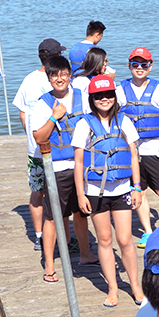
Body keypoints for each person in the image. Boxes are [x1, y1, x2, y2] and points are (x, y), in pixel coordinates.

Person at [72, 75, 144, 307]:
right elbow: (79, 163)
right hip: (95, 191)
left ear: (114, 97)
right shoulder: (84, 124)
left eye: (108, 95)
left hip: (122, 188)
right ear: (92, 99)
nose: (104, 99)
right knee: (104, 239)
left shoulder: (124, 121)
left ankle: (135, 286)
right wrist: (81, 194)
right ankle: (112, 288)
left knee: (125, 239)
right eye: (98, 96)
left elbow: (133, 156)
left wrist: (137, 187)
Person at [32, 56, 98, 283]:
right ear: (49, 78)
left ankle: (86, 254)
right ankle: (49, 265)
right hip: (58, 168)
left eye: (64, 74)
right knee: (52, 218)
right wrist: (54, 117)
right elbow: (39, 137)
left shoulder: (84, 97)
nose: (60, 79)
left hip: (82, 165)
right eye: (54, 75)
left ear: (70, 75)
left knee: (81, 212)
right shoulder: (42, 103)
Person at [118, 47, 159, 248]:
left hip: (154, 150)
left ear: (150, 66)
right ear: (129, 66)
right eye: (135, 64)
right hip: (131, 152)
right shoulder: (120, 90)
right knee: (140, 191)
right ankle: (147, 231)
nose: (139, 68)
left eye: (144, 64)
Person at [13, 38, 66, 252]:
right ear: (57, 57)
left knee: (37, 192)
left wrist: (31, 133)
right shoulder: (58, 79)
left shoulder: (28, 80)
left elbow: (22, 113)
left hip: (34, 148)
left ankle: (38, 236)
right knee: (58, 194)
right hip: (57, 150)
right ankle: (63, 238)